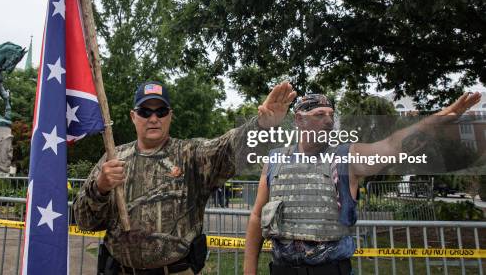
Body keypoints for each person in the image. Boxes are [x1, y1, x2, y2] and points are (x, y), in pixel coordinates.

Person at [244, 91, 482, 275]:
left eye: (331, 115)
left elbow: (392, 145)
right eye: (319, 115)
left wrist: (440, 119)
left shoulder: (347, 157)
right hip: (281, 269)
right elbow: (257, 217)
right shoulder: (275, 160)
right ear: (299, 120)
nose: (328, 121)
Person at [75, 80, 296, 275]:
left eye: (161, 111)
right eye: (145, 111)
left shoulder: (191, 156)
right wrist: (100, 187)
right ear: (134, 116)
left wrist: (260, 126)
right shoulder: (112, 159)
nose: (153, 118)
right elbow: (85, 222)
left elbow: (228, 147)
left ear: (170, 115)